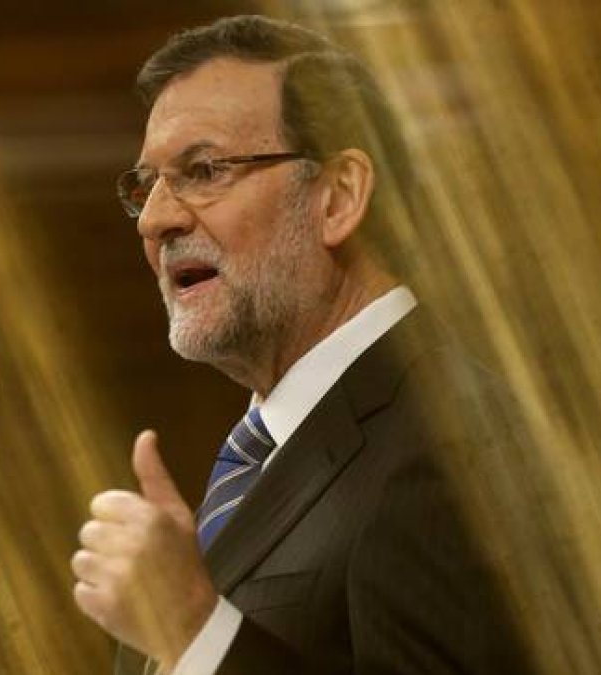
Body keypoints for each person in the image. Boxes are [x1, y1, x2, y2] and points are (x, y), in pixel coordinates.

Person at [70, 15, 533, 675]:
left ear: (338, 198)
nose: (155, 219)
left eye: (202, 170)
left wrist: (194, 632)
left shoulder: (458, 446)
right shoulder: (273, 451)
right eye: (146, 185)